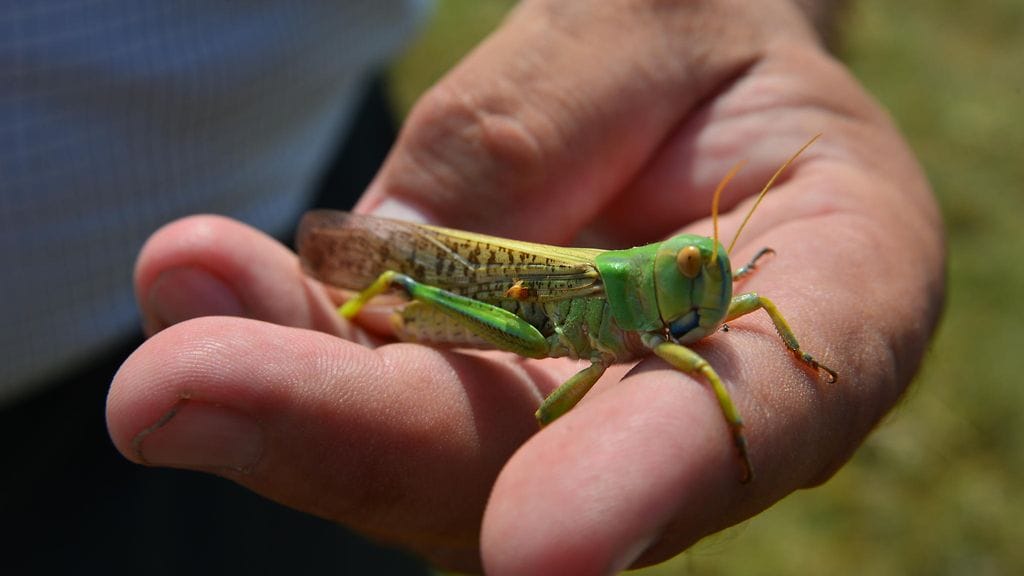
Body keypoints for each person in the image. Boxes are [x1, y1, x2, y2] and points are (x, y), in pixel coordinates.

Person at [17, 1, 948, 575]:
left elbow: (739, 320)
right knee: (400, 279)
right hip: (519, 308)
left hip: (299, 149)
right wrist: (735, 422)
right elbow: (671, 377)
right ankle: (349, 313)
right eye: (701, 267)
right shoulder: (641, 312)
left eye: (708, 270)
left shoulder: (701, 300)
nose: (714, 283)